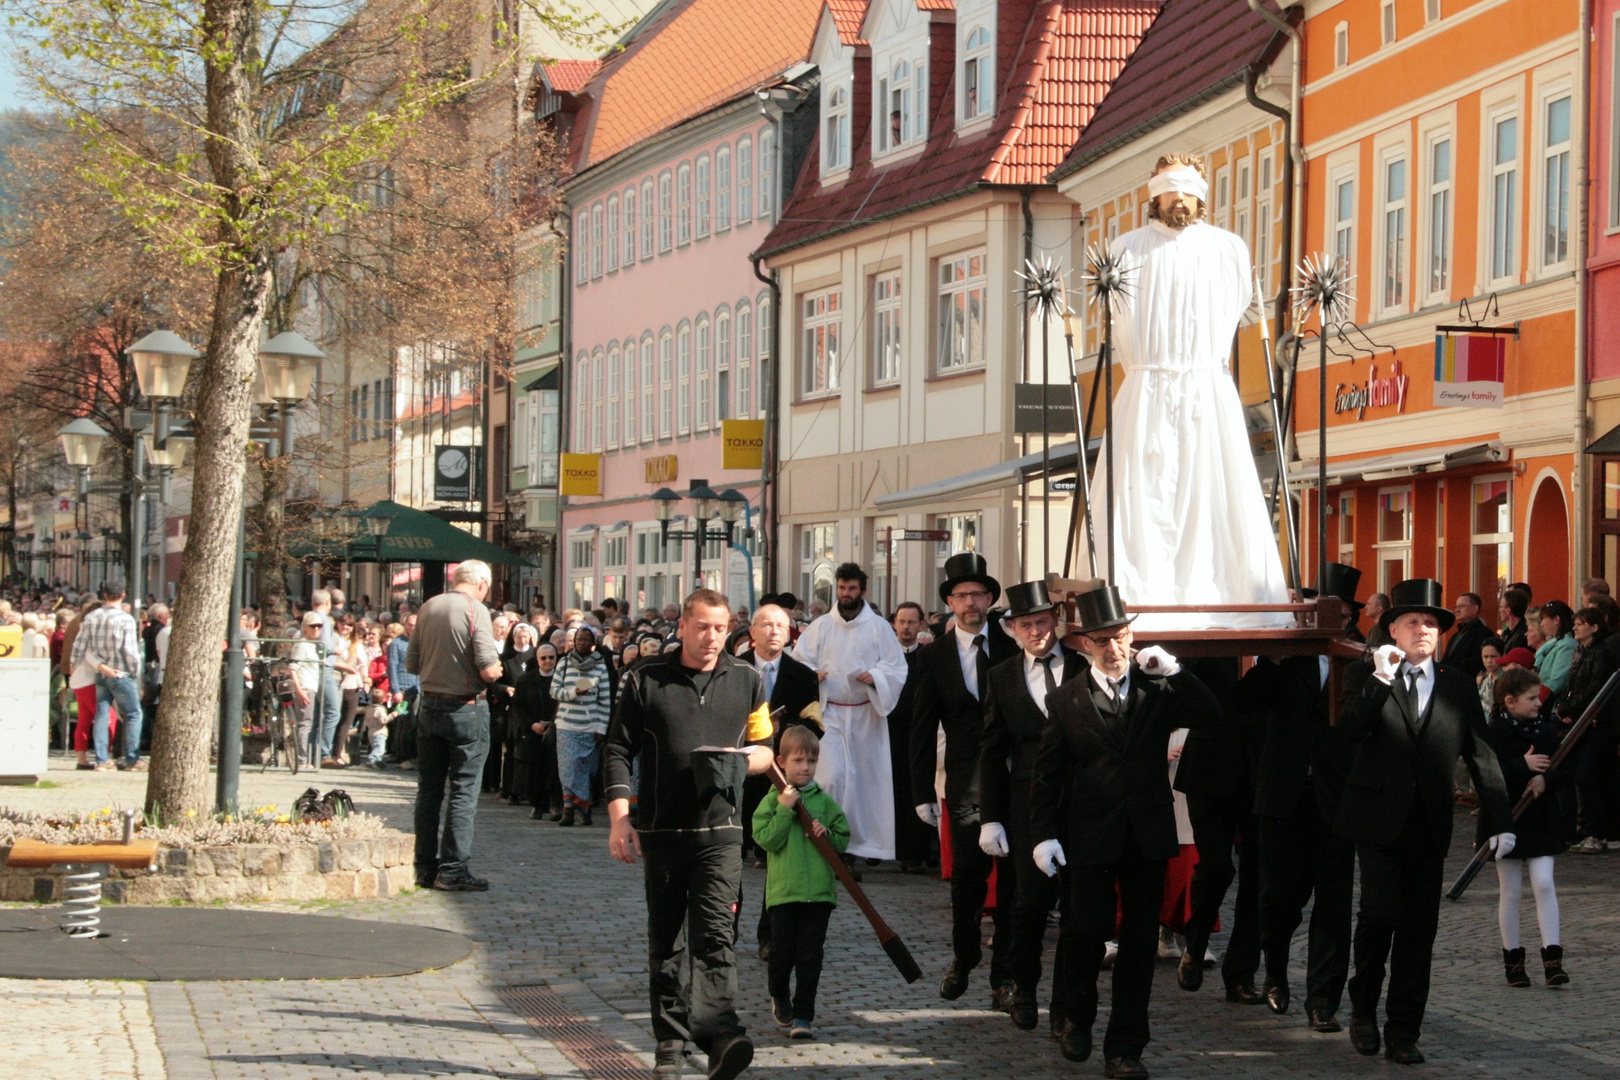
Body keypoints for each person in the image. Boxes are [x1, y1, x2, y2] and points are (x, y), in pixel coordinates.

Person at [1089, 152, 1289, 631]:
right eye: (1170, 191)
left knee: (1213, 490)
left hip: (1206, 385)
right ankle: (1135, 596)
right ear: (1154, 195)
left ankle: (1221, 599)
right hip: (1147, 383)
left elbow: (1239, 298)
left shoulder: (1227, 248)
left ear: (1201, 197)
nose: (1179, 200)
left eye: (1188, 191)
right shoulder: (1126, 249)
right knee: (1142, 491)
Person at [1029, 584, 1219, 1075]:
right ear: (1084, 644)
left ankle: (1126, 1047)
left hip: (1147, 834)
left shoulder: (1157, 688)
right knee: (1085, 934)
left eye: (1122, 637)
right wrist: (1044, 833)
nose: (1114, 649)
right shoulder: (1067, 699)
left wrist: (1177, 671)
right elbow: (1048, 774)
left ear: (1132, 638)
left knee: (1138, 944)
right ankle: (1077, 1019)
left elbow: (1211, 717)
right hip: (1089, 835)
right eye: (1103, 640)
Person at [1338, 577, 1514, 1064]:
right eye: (1413, 621)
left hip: (1429, 825)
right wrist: (1379, 678)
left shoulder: (1457, 685)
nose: (1423, 630)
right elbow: (1351, 728)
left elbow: (1481, 755)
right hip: (1377, 821)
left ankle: (1403, 1030)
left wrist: (1500, 820)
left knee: (1419, 930)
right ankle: (1363, 1011)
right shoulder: (1363, 675)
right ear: (1393, 629)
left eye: (1432, 624)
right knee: (1379, 916)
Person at [604, 588, 774, 1080]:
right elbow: (618, 749)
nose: (712, 637)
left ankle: (720, 1034)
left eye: (720, 628)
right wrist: (620, 818)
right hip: (662, 830)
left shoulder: (747, 678)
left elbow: (765, 748)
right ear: (682, 626)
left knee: (717, 934)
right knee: (669, 941)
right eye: (702, 627)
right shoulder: (645, 678)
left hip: (721, 832)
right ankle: (670, 1044)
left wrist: (748, 760)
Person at [908, 552, 1020, 1006]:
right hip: (964, 782)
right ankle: (964, 956)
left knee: (1014, 879)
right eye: (961, 595)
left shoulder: (1015, 648)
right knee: (968, 878)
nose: (971, 602)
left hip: (1015, 778)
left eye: (978, 594)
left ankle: (1006, 976)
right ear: (950, 603)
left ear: (991, 598)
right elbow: (919, 727)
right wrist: (920, 793)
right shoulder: (934, 656)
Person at [975, 580, 1081, 1039]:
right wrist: (990, 816)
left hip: (1081, 802)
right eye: (1026, 625)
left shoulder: (1082, 665)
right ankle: (1023, 986)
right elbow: (992, 750)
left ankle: (1067, 1005)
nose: (1036, 631)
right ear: (1012, 629)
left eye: (1042, 621)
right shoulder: (1002, 675)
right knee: (1029, 902)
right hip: (1026, 805)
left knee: (1077, 909)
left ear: (1055, 621)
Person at [1244, 652, 1355, 1033]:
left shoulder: (1358, 663)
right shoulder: (1285, 663)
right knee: (1278, 899)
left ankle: (1323, 1001)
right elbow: (1245, 701)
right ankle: (1274, 971)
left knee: (1334, 906)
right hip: (1282, 798)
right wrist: (1274, 659)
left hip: (1336, 800)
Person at [791, 562, 909, 865]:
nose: (846, 594)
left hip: (866, 714)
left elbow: (896, 666)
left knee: (867, 783)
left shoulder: (880, 627)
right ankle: (830, 840)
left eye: (852, 589)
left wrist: (876, 677)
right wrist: (812, 675)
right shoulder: (821, 626)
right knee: (832, 777)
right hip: (830, 714)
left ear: (862, 591)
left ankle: (865, 846)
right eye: (842, 588)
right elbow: (800, 662)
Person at [406, 560, 504, 892]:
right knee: (463, 790)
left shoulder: (429, 606)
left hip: (429, 704)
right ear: (482, 583)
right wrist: (497, 672)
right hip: (464, 707)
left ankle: (423, 866)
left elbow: (412, 663)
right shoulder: (476, 610)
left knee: (429, 790)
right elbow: (489, 670)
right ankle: (452, 869)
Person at [752, 725, 851, 1041]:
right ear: (781, 762)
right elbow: (767, 840)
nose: (805, 768)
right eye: (798, 761)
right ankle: (778, 993)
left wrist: (828, 835)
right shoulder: (771, 801)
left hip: (819, 895)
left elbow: (843, 839)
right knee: (782, 954)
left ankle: (803, 1014)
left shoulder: (823, 801)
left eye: (811, 761)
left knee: (811, 957)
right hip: (784, 894)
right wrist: (784, 809)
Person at [1485, 668, 1570, 987]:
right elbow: (1487, 777)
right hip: (1506, 818)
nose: (1538, 704)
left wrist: (1545, 779)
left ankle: (1553, 958)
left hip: (1541, 818)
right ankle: (1514, 961)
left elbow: (1566, 770)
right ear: (1510, 702)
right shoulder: (1494, 733)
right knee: (1511, 890)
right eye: (1531, 698)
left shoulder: (1545, 730)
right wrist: (1522, 766)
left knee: (1544, 883)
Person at [738, 604, 819, 868]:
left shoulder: (804, 676)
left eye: (781, 626)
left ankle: (767, 848)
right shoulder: (734, 668)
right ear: (752, 631)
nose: (774, 632)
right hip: (740, 751)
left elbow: (814, 722)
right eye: (767, 625)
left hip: (781, 757)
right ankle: (737, 845)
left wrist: (785, 731)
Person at [1559, 608, 1617, 853]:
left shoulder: (1601, 653)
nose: (1575, 628)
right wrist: (1565, 707)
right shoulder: (1580, 652)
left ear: (1594, 627)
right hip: (1582, 721)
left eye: (1580, 624)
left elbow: (1596, 689)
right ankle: (1595, 830)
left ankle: (1597, 832)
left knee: (1588, 774)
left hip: (1599, 723)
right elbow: (1570, 685)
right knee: (1596, 776)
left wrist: (1570, 706)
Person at [71, 582, 146, 772]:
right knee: (133, 714)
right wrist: (136, 672)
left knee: (102, 715)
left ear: (104, 595)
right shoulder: (125, 619)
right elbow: (130, 650)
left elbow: (79, 645)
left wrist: (74, 663)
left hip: (101, 672)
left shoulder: (91, 617)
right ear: (123, 594)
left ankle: (102, 760)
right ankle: (131, 759)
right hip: (121, 672)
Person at [551, 624, 615, 826]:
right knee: (567, 768)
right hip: (566, 725)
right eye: (579, 639)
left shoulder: (600, 666)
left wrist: (601, 728)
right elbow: (554, 691)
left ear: (593, 643)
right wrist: (573, 692)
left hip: (590, 725)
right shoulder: (564, 663)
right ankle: (568, 809)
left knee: (586, 770)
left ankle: (584, 810)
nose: (582, 643)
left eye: (587, 640)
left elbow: (605, 700)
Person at [888, 601, 934, 873]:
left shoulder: (927, 658)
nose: (906, 627)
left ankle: (913, 853)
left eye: (912, 622)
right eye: (902, 621)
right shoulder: (884, 656)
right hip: (887, 733)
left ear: (921, 625)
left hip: (919, 733)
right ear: (894, 623)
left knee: (915, 789)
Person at [289, 611, 325, 762]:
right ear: (305, 627)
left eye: (319, 626)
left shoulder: (312, 645)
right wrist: (299, 690)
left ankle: (303, 757)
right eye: (313, 626)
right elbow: (293, 668)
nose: (316, 629)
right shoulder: (302, 645)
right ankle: (301, 759)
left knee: (307, 723)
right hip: (305, 686)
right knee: (305, 724)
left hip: (310, 686)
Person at [1442, 592, 1491, 678]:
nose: (1456, 610)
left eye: (1461, 606)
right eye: (1456, 607)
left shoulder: (1483, 633)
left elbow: (1476, 664)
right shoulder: (1456, 635)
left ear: (1475, 609)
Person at [1534, 601, 1576, 698]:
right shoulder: (1554, 643)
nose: (1541, 624)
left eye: (1544, 619)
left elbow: (1556, 683)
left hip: (1550, 703)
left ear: (1556, 619)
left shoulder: (1567, 646)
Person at [1498, 586, 1531, 655]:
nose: (1499, 610)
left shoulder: (1523, 635)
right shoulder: (1507, 633)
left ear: (1508, 611)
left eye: (1501, 607)